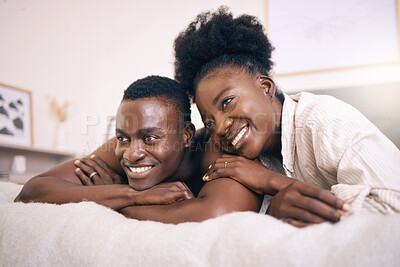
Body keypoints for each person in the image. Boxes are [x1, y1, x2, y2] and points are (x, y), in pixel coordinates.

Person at [173, 7, 400, 227]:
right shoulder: (243, 157)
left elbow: (393, 207)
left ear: (265, 87)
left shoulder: (326, 123)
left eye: (227, 102)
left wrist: (274, 183)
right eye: (209, 122)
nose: (220, 128)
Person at [15, 75, 261, 224]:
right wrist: (130, 194)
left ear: (186, 135)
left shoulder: (217, 148)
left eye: (151, 138)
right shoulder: (124, 146)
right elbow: (32, 191)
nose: (132, 154)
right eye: (122, 138)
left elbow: (216, 215)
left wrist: (121, 204)